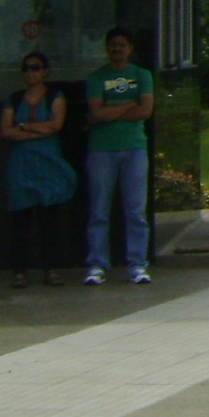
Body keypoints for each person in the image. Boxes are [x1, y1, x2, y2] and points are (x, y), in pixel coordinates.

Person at [1, 51, 76, 288]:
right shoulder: (14, 99)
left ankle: (51, 269)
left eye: (36, 68)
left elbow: (55, 125)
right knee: (20, 220)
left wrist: (23, 127)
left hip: (48, 164)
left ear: (45, 71)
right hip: (21, 165)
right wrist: (37, 130)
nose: (31, 72)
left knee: (49, 220)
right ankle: (19, 271)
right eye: (27, 68)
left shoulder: (55, 95)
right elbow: (5, 131)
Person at [85, 28, 154, 284]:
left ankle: (137, 265)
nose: (117, 49)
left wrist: (109, 110)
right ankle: (96, 265)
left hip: (134, 148)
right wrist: (128, 105)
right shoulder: (97, 77)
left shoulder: (142, 75)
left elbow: (146, 109)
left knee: (136, 211)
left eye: (122, 45)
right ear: (107, 48)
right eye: (113, 45)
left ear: (130, 48)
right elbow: (96, 113)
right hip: (101, 150)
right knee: (99, 210)